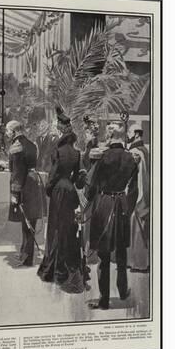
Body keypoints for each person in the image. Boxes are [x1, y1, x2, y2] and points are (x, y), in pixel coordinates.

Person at [86, 123, 138, 309]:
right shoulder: (131, 158)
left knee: (104, 255)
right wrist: (128, 207)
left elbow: (91, 186)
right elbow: (134, 189)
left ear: (110, 136)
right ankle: (123, 292)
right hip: (122, 205)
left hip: (105, 205)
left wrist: (89, 199)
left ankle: (104, 300)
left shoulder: (103, 157)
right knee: (122, 252)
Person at [37, 109, 86, 289]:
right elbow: (79, 178)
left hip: (58, 192)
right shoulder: (76, 152)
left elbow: (54, 174)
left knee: (55, 229)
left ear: (61, 130)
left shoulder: (58, 151)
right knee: (68, 229)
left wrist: (49, 189)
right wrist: (71, 184)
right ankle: (67, 268)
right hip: (70, 191)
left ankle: (53, 270)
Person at [3, 120, 44, 266]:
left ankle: (27, 258)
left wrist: (14, 193)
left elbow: (17, 172)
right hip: (34, 183)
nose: (6, 133)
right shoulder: (32, 144)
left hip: (24, 186)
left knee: (26, 221)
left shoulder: (16, 147)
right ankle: (25, 253)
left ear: (14, 131)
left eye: (8, 131)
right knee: (29, 220)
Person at [127, 123, 150, 272]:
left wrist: (139, 198)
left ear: (136, 134)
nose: (128, 135)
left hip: (138, 194)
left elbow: (141, 177)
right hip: (142, 193)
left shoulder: (136, 151)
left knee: (136, 228)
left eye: (129, 133)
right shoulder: (145, 150)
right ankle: (138, 262)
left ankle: (139, 263)